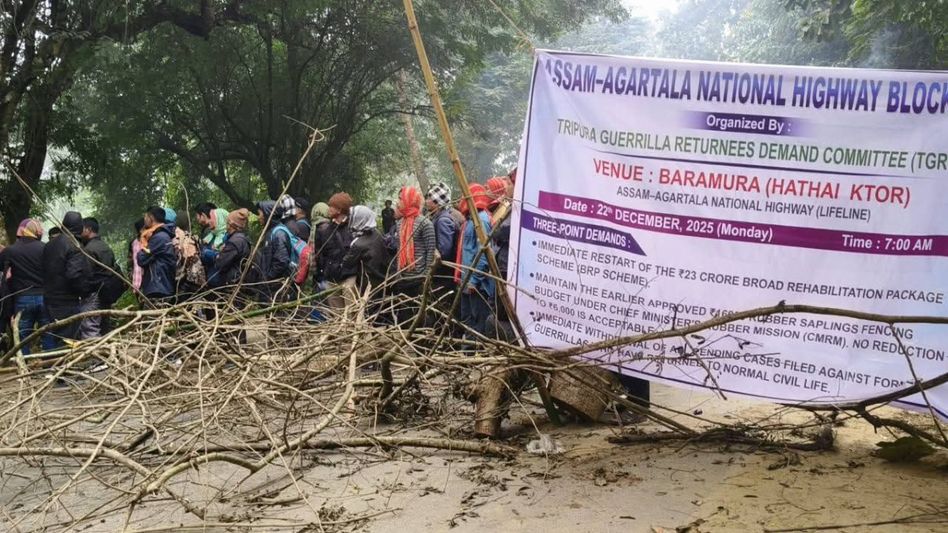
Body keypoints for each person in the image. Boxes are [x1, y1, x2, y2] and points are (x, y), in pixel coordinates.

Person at [0, 219, 55, 353]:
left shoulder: (11, 251)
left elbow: (3, 272)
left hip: (23, 298)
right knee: (48, 333)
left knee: (22, 337)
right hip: (44, 297)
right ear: (37, 231)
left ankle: (24, 366)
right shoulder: (46, 248)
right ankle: (50, 364)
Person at [42, 212, 91, 346]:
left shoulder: (49, 245)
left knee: (53, 334)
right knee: (67, 339)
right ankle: (64, 365)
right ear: (80, 227)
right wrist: (84, 291)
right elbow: (74, 275)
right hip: (66, 300)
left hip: (49, 297)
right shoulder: (74, 245)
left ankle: (51, 363)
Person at [455, 184, 494, 336]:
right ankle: (467, 353)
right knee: (467, 319)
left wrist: (474, 280)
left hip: (477, 284)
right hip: (466, 279)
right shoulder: (471, 219)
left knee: (477, 322)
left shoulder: (481, 220)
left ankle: (476, 354)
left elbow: (484, 253)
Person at [78, 217, 118, 339]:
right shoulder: (106, 247)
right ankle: (107, 353)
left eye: (81, 229)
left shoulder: (88, 250)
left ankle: (94, 357)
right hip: (106, 292)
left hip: (94, 293)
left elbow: (87, 274)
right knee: (104, 325)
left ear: (88, 229)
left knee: (90, 327)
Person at [317, 193, 356, 310]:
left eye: (331, 206)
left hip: (349, 277)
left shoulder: (352, 227)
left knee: (351, 313)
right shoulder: (326, 229)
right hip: (331, 277)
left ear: (339, 209)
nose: (328, 209)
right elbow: (322, 253)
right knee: (336, 314)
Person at [341, 205, 390, 295]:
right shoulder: (378, 234)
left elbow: (346, 263)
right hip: (384, 280)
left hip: (368, 286)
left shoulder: (358, 244)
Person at [426, 182, 460, 296]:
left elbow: (444, 251)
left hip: (444, 273)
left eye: (429, 198)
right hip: (443, 273)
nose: (426, 201)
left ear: (437, 202)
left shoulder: (443, 220)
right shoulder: (438, 217)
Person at [137, 207, 177, 303]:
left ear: (151, 217)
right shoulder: (160, 235)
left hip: (159, 286)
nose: (144, 219)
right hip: (160, 286)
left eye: (146, 216)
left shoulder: (159, 237)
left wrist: (144, 242)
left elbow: (141, 259)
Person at [207, 208, 252, 292]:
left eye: (227, 222)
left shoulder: (234, 242)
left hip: (231, 284)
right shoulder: (241, 238)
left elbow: (221, 263)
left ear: (231, 225)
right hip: (236, 282)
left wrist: (215, 256)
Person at [128, 219, 145, 291]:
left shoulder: (152, 240)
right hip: (138, 279)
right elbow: (130, 263)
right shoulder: (134, 243)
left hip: (140, 279)